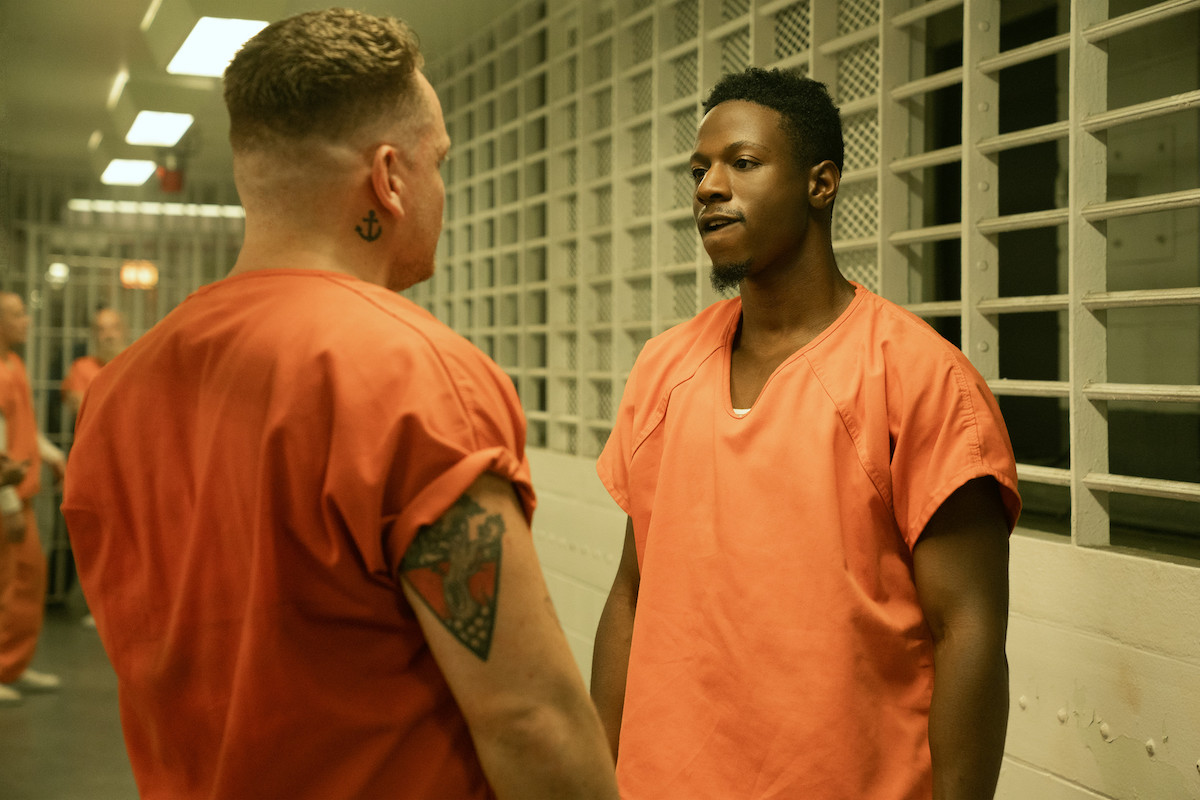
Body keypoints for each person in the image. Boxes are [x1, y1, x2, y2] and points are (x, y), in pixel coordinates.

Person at [62, 10, 617, 800]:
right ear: (389, 178)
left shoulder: (116, 392)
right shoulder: (414, 375)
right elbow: (531, 721)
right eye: (438, 162)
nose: (442, 188)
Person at [592, 67, 1022, 800]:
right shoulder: (664, 368)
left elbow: (968, 633)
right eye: (699, 170)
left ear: (821, 184)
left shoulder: (920, 377)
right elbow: (632, 593)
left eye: (742, 162)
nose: (709, 188)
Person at [0, 292, 66, 706]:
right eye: (17, 314)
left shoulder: (15, 364)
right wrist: (6, 502)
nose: (26, 320)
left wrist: (54, 456)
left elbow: (23, 427)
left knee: (25, 580)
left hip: (17, 496)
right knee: (7, 584)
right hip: (6, 498)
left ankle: (11, 664)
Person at [61, 306, 129, 417]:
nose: (109, 335)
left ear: (125, 331)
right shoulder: (81, 368)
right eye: (101, 329)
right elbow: (83, 411)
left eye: (115, 328)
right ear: (94, 335)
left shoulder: (135, 368)